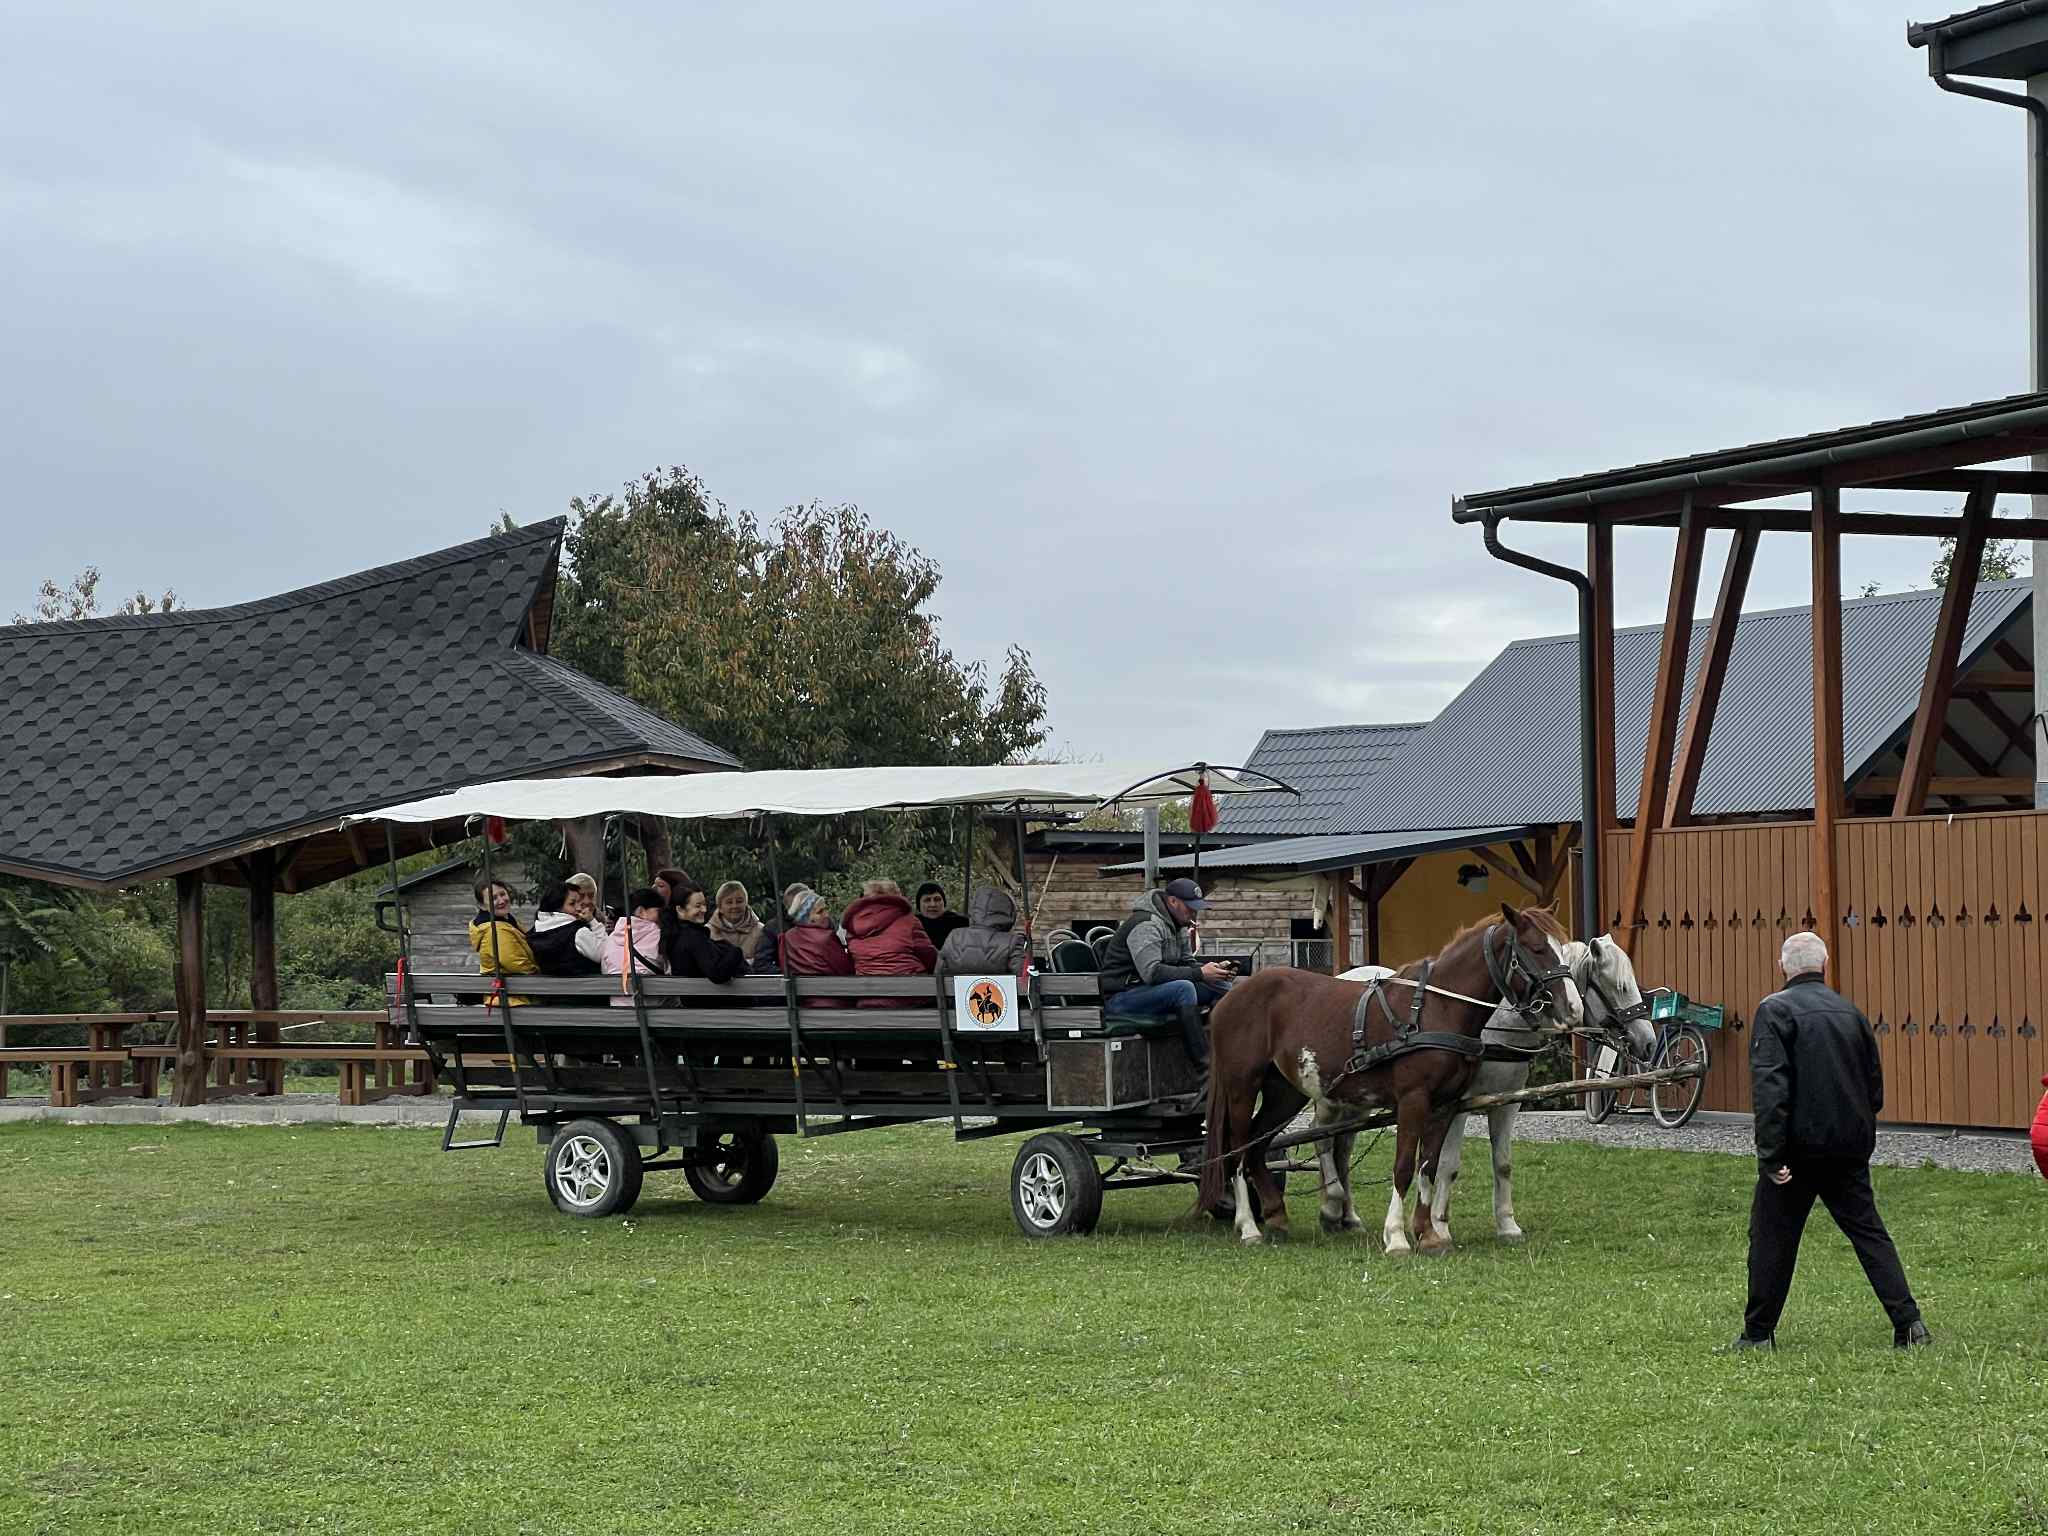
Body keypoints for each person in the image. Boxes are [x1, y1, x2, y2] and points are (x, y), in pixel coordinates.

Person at [1729, 931, 1929, 1352]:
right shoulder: (1850, 1013)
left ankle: (1758, 1334)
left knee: (1772, 1239)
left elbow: (1770, 1089)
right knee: (1870, 1234)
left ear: (1782, 967)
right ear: (1824, 965)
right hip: (1847, 1147)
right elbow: (1874, 1088)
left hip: (1796, 1153)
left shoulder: (1774, 1010)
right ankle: (1910, 1324)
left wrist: (1771, 1155)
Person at [1097, 878, 1235, 1072]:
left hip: (1154, 991)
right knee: (1184, 989)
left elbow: (1187, 963)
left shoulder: (1179, 925)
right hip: (1123, 997)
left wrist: (1215, 971)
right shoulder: (1146, 925)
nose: (1194, 913)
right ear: (1172, 901)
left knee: (1221, 986)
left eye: (1196, 908)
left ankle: (1228, 1053)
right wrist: (1200, 973)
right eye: (1190, 907)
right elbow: (1152, 973)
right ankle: (1205, 1068)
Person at [841, 877, 938, 1007]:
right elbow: (930, 957)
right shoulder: (909, 921)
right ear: (895, 896)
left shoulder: (853, 926)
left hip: (868, 1000)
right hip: (911, 998)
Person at [664, 881, 750, 987]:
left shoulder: (674, 934)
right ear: (680, 910)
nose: (704, 910)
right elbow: (717, 973)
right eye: (698, 906)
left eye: (704, 904)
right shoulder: (693, 937)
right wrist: (736, 952)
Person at [468, 878, 539, 1003]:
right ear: (482, 905)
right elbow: (515, 963)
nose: (501, 900)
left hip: (516, 994)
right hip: (513, 999)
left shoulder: (507, 920)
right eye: (493, 898)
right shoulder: (494, 929)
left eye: (502, 894)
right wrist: (539, 971)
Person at [779, 889, 855, 1006]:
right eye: (820, 912)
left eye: (825, 909)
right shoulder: (826, 938)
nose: (826, 914)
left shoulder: (786, 937)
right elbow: (846, 970)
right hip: (834, 1003)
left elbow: (785, 969)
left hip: (800, 1006)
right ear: (806, 917)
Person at [937, 886, 1028, 977]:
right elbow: (1023, 979)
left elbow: (938, 974)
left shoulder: (954, 936)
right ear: (1008, 911)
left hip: (954, 987)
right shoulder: (1013, 941)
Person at [602, 888, 668, 1006]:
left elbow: (605, 969)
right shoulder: (658, 935)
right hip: (651, 1011)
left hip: (617, 1010)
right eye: (659, 911)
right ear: (641, 911)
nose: (663, 916)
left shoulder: (611, 938)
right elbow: (670, 970)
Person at [528, 879, 605, 977]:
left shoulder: (534, 932)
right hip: (588, 984)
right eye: (572, 903)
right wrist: (593, 922)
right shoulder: (578, 933)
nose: (579, 908)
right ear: (556, 906)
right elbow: (605, 954)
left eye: (579, 902)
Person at [706, 880, 767, 961]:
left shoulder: (760, 930)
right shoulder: (708, 932)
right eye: (729, 902)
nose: (734, 906)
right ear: (720, 907)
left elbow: (764, 961)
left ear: (746, 904)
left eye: (739, 901)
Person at [915, 882, 968, 951]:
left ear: (944, 902)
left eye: (937, 899)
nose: (933, 904)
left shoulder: (961, 923)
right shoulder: (912, 924)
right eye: (927, 900)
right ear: (919, 905)